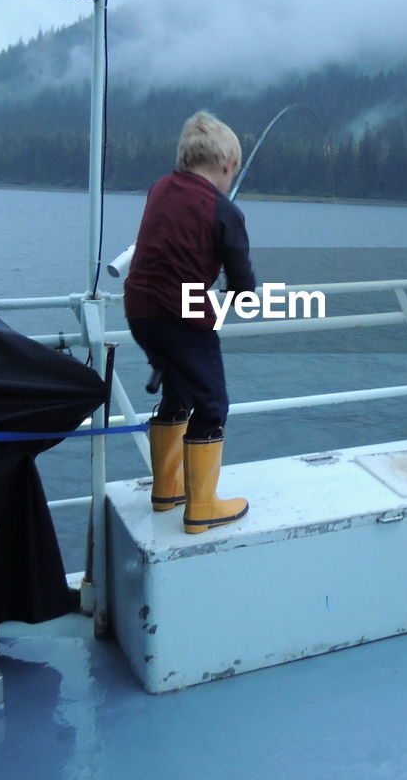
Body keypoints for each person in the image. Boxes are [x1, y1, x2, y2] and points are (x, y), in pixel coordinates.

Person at [124, 111, 255, 534]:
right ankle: (202, 509)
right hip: (182, 316)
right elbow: (241, 284)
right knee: (213, 404)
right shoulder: (224, 211)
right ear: (228, 165)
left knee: (178, 391)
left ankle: (167, 488)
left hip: (140, 310)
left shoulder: (160, 188)